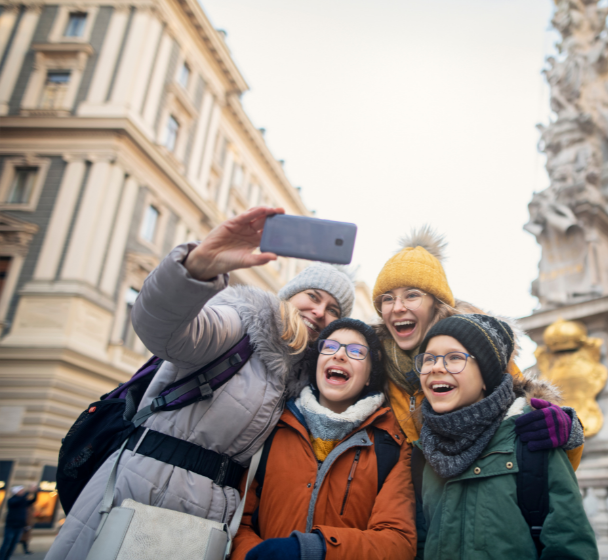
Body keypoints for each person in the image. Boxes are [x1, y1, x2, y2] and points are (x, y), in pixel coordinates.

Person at [46, 207, 355, 560]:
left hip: (213, 516)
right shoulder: (241, 321)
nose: (319, 312)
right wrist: (195, 270)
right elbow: (163, 328)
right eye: (313, 297)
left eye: (333, 310)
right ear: (289, 295)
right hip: (142, 491)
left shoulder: (303, 378)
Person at [372, 227, 584, 460]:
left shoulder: (480, 348)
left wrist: (567, 432)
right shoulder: (375, 364)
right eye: (387, 299)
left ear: (437, 303)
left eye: (412, 295)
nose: (398, 307)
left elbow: (531, 406)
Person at [415, 315, 598, 559]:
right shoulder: (421, 453)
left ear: (486, 377)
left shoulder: (531, 439)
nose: (436, 367)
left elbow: (570, 545)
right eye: (429, 359)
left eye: (455, 357)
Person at [232, 318, 415, 560]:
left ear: (370, 375)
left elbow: (398, 541)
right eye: (330, 347)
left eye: (356, 351)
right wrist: (255, 555)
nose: (339, 355)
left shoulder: (390, 443)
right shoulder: (273, 425)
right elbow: (238, 521)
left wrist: (316, 550)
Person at [0, 485, 37, 560]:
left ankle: (6, 558)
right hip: (11, 526)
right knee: (7, 544)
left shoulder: (23, 501)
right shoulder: (12, 500)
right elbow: (19, 500)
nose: (22, 492)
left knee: (13, 545)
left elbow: (33, 501)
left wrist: (35, 492)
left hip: (20, 526)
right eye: (21, 491)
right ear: (16, 492)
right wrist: (29, 491)